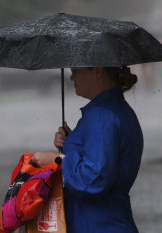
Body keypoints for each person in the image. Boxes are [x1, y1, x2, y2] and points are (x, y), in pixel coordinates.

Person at [31, 66, 143, 233]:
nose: (71, 78)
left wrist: (58, 160)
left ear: (98, 71)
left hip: (98, 225)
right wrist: (69, 144)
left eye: (75, 71)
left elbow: (94, 178)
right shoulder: (116, 109)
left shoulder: (101, 115)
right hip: (109, 220)